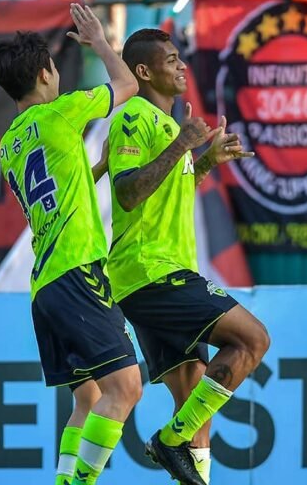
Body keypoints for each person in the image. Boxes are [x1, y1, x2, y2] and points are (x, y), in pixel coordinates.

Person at [105, 28, 271, 485]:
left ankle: (184, 451)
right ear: (144, 71)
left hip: (158, 272)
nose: (181, 67)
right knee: (253, 341)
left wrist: (204, 162)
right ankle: (168, 440)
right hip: (151, 271)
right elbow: (127, 194)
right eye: (172, 59)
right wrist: (183, 144)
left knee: (195, 396)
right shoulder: (134, 116)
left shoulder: (167, 124)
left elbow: (165, 196)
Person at [0, 4, 141, 485]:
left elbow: (59, 188)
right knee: (126, 387)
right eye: (53, 68)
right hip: (77, 271)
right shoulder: (62, 112)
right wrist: (99, 42)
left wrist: (97, 169)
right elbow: (129, 86)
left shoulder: (9, 146)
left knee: (88, 398)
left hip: (46, 286)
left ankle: (64, 480)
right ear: (43, 73)